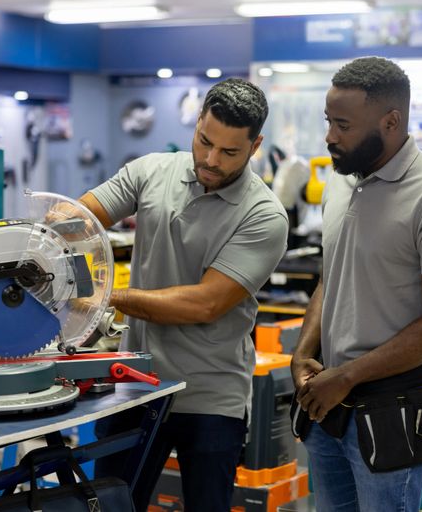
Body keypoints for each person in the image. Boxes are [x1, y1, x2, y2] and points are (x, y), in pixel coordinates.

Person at [78, 78, 289, 511]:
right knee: (114, 505)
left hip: (211, 397)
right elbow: (78, 220)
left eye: (229, 152)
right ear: (196, 123)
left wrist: (107, 296)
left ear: (255, 145)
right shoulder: (150, 170)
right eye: (204, 141)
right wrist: (49, 242)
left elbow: (204, 303)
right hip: (134, 385)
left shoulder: (264, 216)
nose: (211, 160)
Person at [291, 57, 422, 511]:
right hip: (326, 405)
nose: (330, 136)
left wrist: (348, 375)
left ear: (391, 122)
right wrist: (303, 353)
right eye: (328, 122)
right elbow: (330, 279)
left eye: (344, 124)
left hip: (392, 412)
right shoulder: (342, 183)